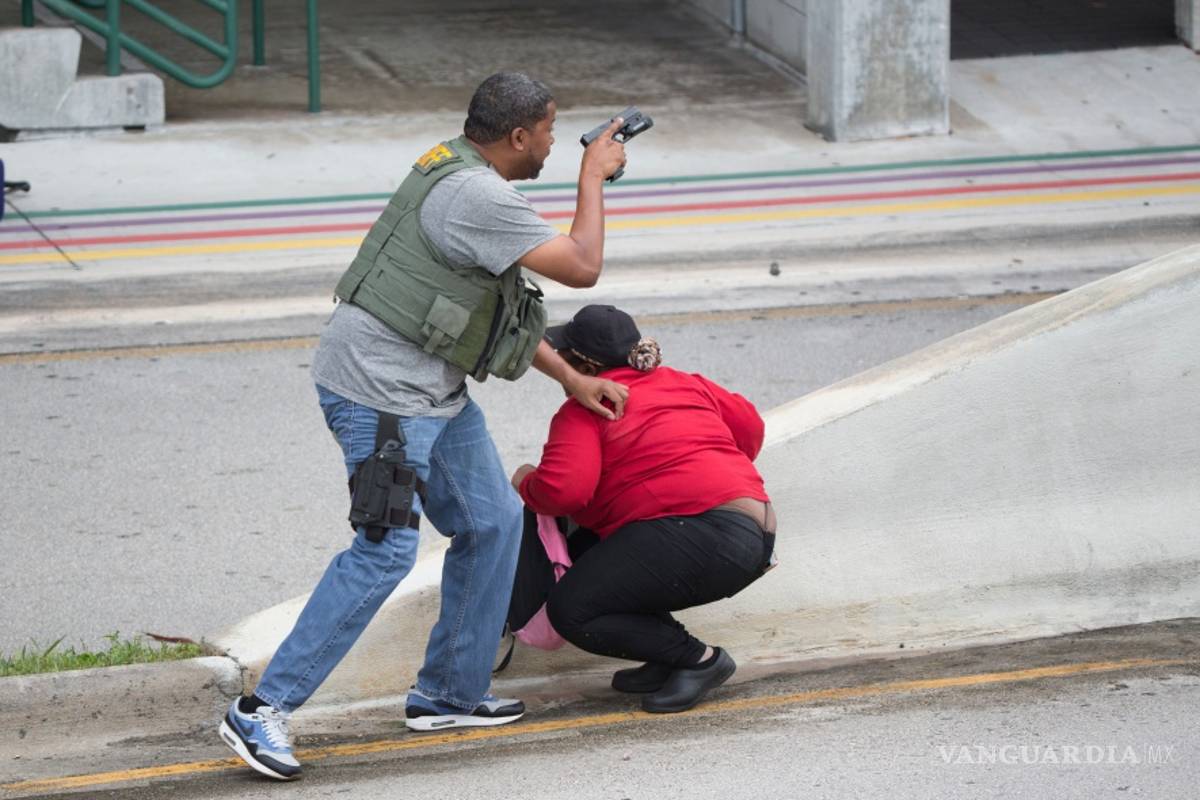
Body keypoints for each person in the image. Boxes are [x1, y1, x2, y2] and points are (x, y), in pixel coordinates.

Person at [219, 73, 629, 781]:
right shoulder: (477, 194)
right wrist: (595, 175)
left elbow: (490, 307)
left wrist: (570, 377)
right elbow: (582, 266)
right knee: (383, 551)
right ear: (518, 137)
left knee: (495, 521)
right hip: (379, 394)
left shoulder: (462, 170)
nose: (558, 146)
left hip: (429, 390)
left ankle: (449, 692)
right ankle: (262, 710)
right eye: (553, 133)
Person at [511, 304, 777, 714]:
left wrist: (525, 479)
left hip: (698, 535)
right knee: (606, 559)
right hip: (756, 530)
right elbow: (750, 429)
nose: (559, 363)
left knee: (572, 609)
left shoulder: (586, 409)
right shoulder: (686, 383)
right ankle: (665, 656)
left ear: (583, 364)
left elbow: (564, 493)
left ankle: (699, 660)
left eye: (565, 356)